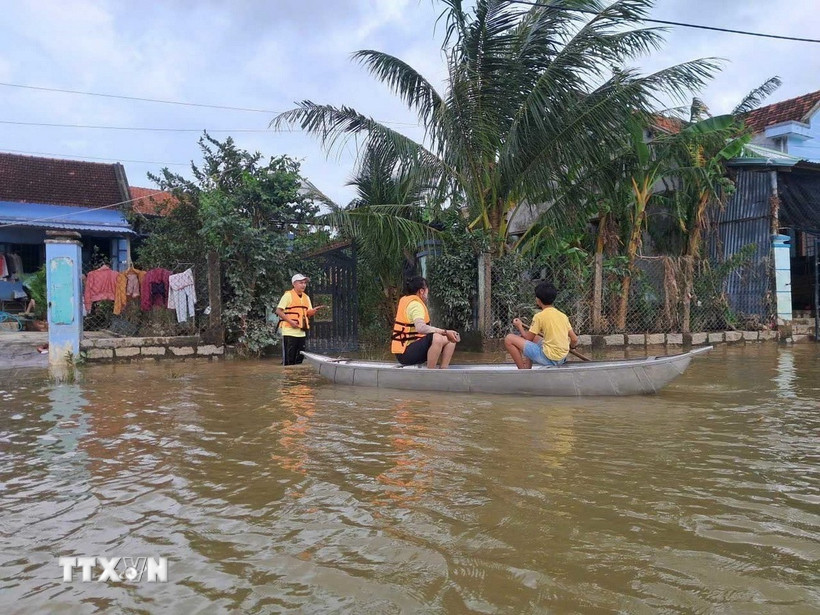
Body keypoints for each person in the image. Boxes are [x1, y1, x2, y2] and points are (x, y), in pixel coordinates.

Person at [504, 282, 579, 369]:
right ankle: (528, 368)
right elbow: (574, 339)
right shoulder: (563, 316)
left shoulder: (539, 316)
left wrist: (519, 326)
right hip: (561, 359)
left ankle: (523, 371)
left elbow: (528, 338)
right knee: (535, 338)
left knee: (509, 339)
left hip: (549, 359)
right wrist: (572, 347)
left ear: (538, 300)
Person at [391, 276, 459, 368]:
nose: (428, 292)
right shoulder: (415, 305)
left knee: (451, 339)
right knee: (437, 337)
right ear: (421, 291)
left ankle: (443, 370)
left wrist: (447, 334)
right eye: (427, 289)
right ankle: (430, 373)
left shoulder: (408, 300)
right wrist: (445, 332)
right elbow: (421, 328)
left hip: (412, 350)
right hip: (405, 354)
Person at [276, 273, 325, 365]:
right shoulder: (288, 295)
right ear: (294, 284)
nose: (303, 285)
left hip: (301, 332)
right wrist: (291, 322)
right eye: (300, 283)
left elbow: (307, 313)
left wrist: (313, 311)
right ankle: (288, 378)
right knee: (289, 361)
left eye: (304, 283)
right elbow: (278, 311)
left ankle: (297, 378)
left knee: (299, 360)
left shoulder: (306, 297)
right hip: (289, 332)